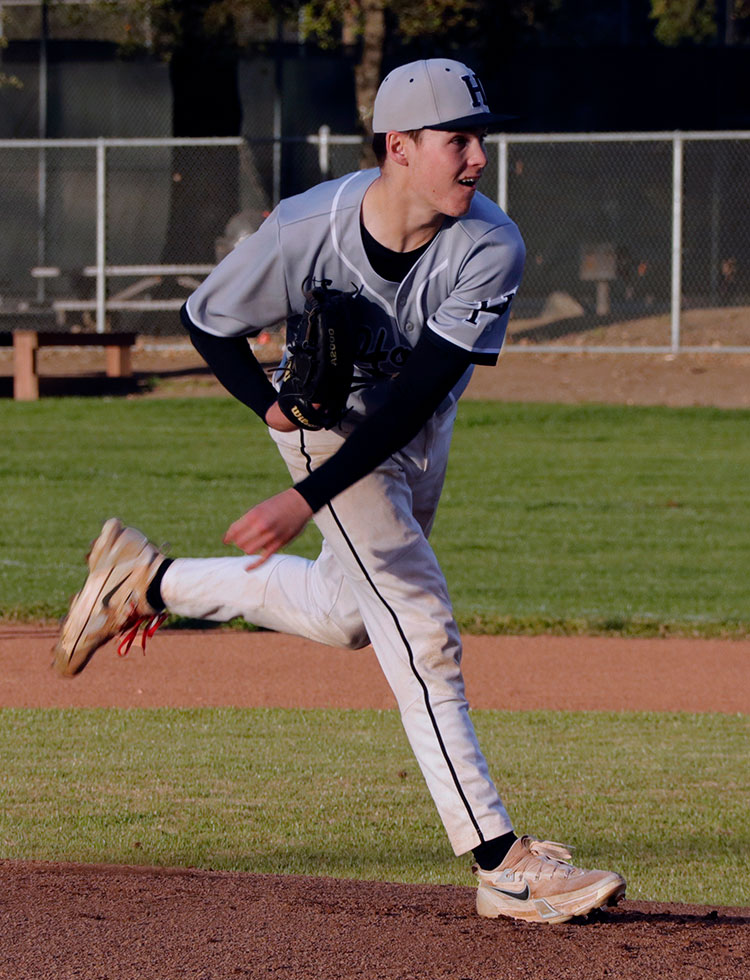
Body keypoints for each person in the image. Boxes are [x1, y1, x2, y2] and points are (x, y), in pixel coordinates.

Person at [53, 58, 625, 924]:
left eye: (479, 139)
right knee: (420, 627)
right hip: (327, 431)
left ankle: (148, 579)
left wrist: (303, 498)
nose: (478, 158)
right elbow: (207, 320)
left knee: (347, 612)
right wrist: (274, 413)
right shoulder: (304, 227)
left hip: (411, 434)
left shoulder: (490, 243)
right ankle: (502, 861)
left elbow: (417, 396)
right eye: (458, 140)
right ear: (400, 147)